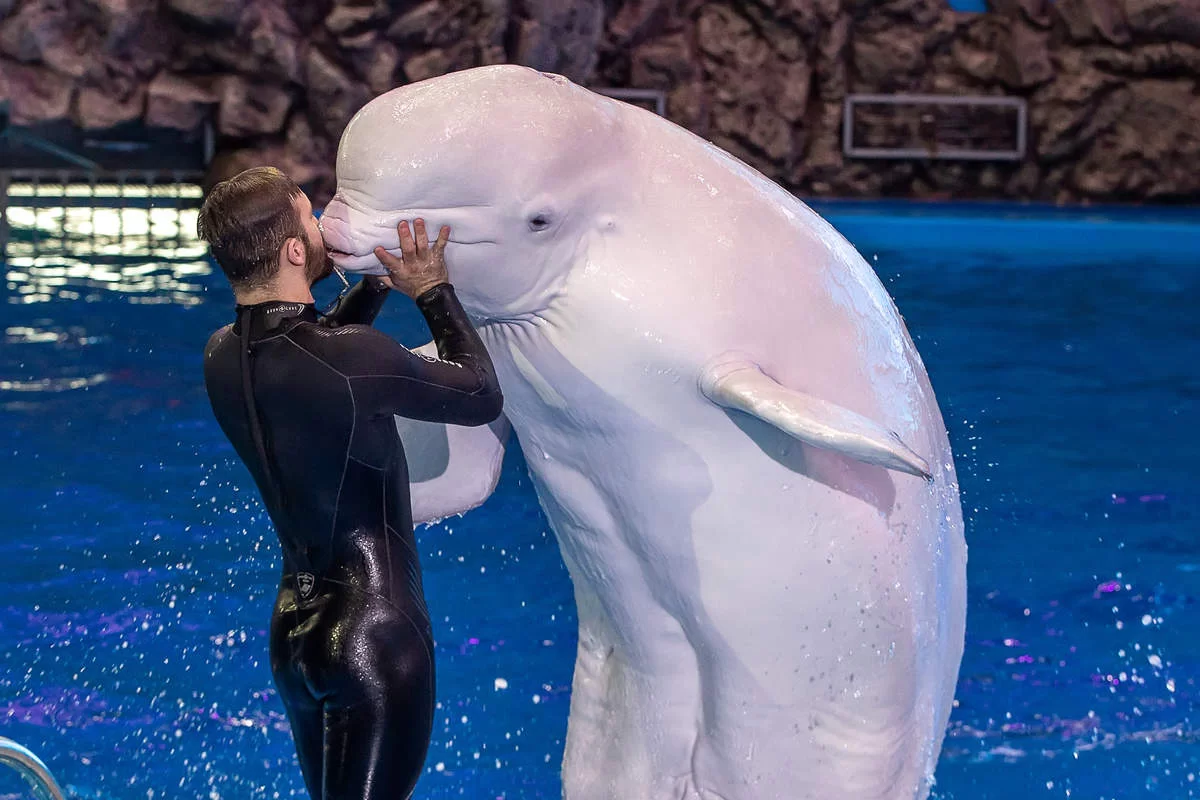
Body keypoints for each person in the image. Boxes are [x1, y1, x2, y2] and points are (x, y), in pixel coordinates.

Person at [198, 166, 503, 799]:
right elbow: (479, 393)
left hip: (294, 636)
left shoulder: (221, 356)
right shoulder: (351, 358)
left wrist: (371, 285)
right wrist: (432, 290)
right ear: (293, 251)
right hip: (372, 638)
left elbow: (312, 355)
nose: (322, 229)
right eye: (311, 220)